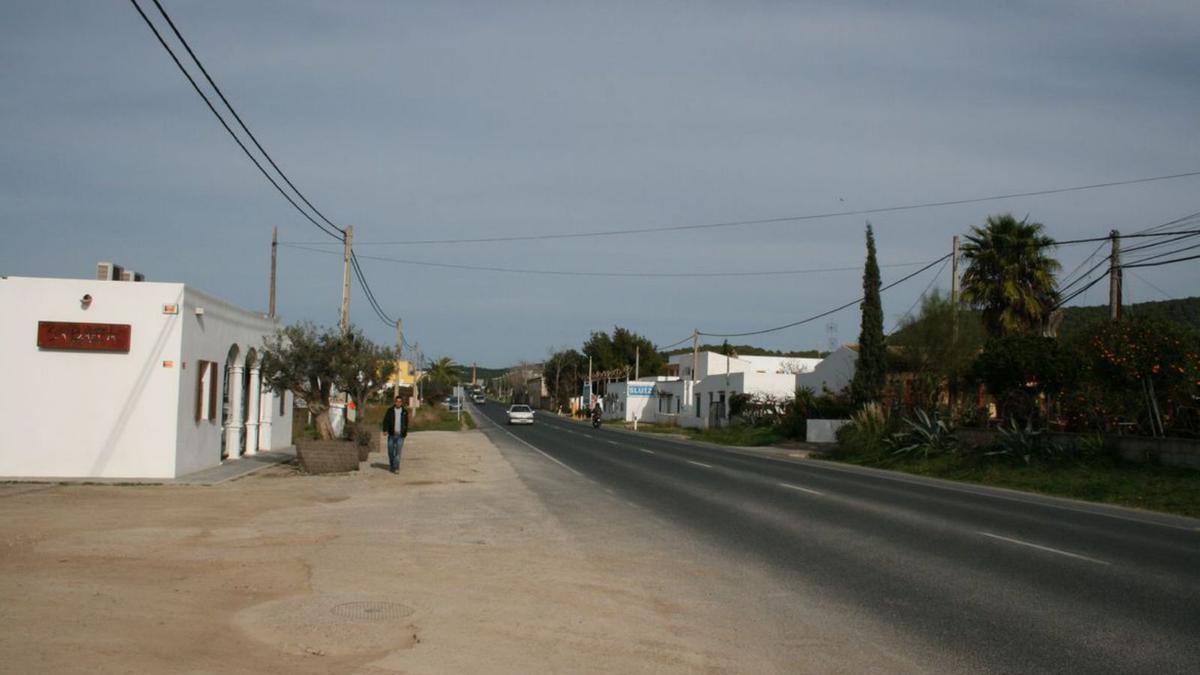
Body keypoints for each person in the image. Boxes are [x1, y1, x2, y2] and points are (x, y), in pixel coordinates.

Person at [381, 396, 409, 473]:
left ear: (401, 403)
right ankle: (392, 465)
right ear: (395, 402)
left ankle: (396, 468)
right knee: (390, 451)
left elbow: (406, 423)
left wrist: (405, 431)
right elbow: (385, 421)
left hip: (400, 435)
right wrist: (385, 430)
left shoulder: (404, 412)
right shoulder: (390, 410)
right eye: (397, 401)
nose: (398, 403)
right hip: (391, 434)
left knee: (398, 452)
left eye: (400, 402)